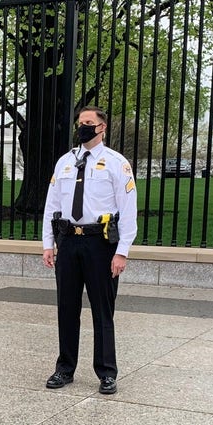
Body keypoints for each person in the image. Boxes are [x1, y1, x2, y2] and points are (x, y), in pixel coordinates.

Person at [41, 105, 138, 395]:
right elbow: (52, 205)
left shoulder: (116, 163)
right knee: (66, 308)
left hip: (101, 244)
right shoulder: (65, 162)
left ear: (102, 128)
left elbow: (128, 210)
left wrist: (122, 252)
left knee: (102, 310)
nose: (82, 126)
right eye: (80, 122)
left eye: (88, 122)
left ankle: (107, 372)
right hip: (69, 241)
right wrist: (49, 243)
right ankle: (65, 368)